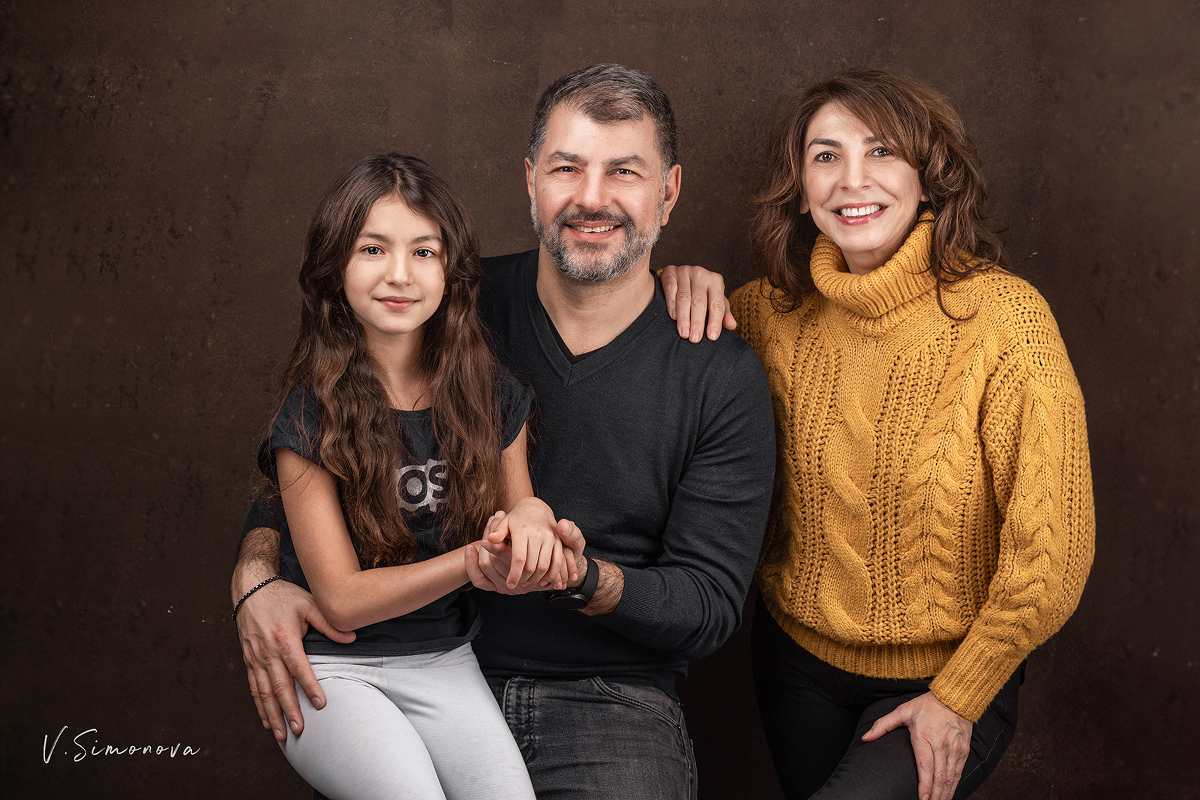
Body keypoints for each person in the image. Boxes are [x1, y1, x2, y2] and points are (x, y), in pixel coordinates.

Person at [232, 64, 776, 800]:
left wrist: (576, 574)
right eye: (566, 167)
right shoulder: (439, 302)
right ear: (530, 181)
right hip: (406, 667)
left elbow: (707, 605)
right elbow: (322, 446)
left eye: (624, 171)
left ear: (668, 193)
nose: (591, 197)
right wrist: (256, 576)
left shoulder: (718, 371)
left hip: (605, 699)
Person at [667, 67, 1095, 800]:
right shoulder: (763, 314)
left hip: (949, 676)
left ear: (929, 179)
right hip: (795, 667)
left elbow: (1052, 557)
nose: (851, 180)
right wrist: (674, 284)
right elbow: (652, 384)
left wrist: (960, 696)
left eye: (881, 151)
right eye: (825, 156)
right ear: (801, 187)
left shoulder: (1006, 322)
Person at [239, 152, 587, 800]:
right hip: (331, 668)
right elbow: (341, 599)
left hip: (445, 659)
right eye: (373, 249)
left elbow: (522, 508)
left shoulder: (491, 393)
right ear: (335, 266)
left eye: (424, 252)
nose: (399, 273)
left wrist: (535, 529)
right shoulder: (309, 414)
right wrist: (471, 563)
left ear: (451, 273)